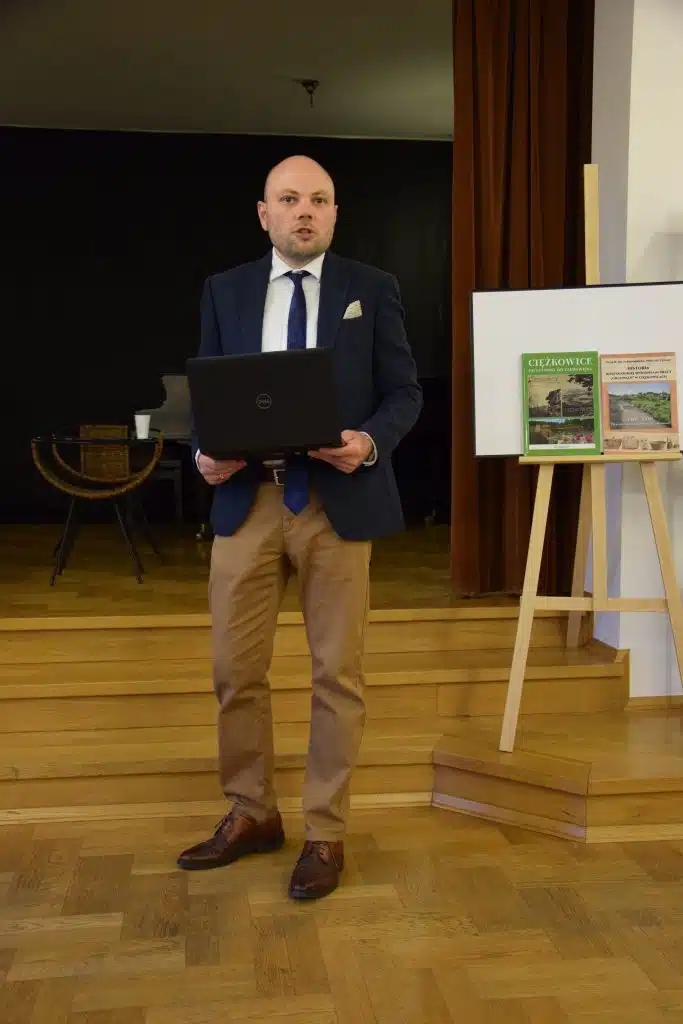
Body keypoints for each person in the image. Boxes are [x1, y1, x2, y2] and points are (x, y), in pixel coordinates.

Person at [177, 155, 422, 899]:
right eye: (289, 199)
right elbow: (207, 394)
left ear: (335, 213)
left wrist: (368, 441)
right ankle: (252, 812)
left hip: (335, 505)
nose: (304, 211)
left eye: (319, 199)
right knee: (234, 671)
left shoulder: (372, 289)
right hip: (246, 503)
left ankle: (325, 831)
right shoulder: (224, 290)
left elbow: (404, 392)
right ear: (265, 214)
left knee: (336, 674)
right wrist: (203, 452)